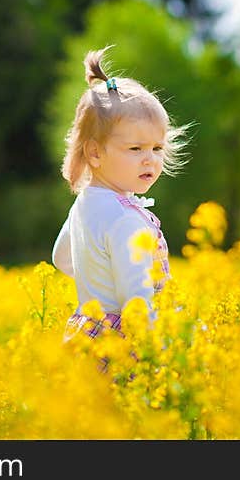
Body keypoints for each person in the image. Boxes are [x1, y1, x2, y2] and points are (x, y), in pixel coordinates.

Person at [51, 45, 191, 367]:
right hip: (124, 347)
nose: (150, 159)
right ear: (95, 153)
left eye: (157, 147)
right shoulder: (125, 219)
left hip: (87, 336)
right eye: (135, 148)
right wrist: (167, 354)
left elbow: (61, 258)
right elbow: (137, 304)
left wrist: (100, 280)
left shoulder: (84, 203)